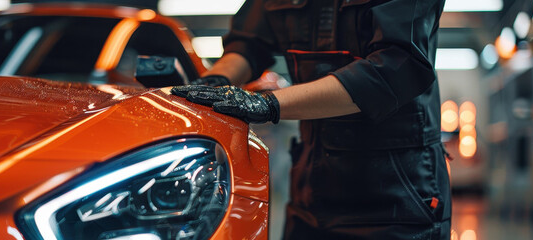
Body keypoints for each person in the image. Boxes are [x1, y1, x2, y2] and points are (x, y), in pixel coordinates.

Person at [171, 0, 451, 239]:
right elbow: (249, 42)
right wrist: (213, 83)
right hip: (311, 191)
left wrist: (269, 103)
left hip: (397, 195)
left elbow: (396, 65)